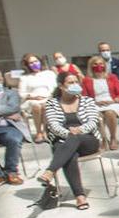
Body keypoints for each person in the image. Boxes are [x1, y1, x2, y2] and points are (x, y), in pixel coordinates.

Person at [40, 72, 101, 210]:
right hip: (62, 140)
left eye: (76, 82)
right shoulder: (52, 103)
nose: (74, 85)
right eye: (70, 83)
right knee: (70, 156)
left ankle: (50, 171)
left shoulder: (87, 101)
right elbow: (53, 125)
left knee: (70, 143)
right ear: (61, 86)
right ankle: (80, 196)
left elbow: (93, 121)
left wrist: (79, 130)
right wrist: (68, 133)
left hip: (87, 139)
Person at [82, 55, 119, 150]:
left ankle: (113, 138)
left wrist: (113, 100)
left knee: (110, 113)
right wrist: (95, 102)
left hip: (112, 102)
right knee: (98, 116)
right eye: (95, 64)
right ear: (91, 66)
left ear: (104, 65)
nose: (98, 66)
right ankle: (103, 139)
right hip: (95, 103)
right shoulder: (86, 80)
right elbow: (84, 96)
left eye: (101, 64)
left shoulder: (112, 77)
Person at [18, 53, 57, 142]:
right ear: (27, 65)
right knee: (36, 105)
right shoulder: (25, 78)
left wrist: (48, 95)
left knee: (45, 105)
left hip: (47, 97)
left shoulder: (49, 73)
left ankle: (45, 132)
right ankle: (39, 132)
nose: (34, 64)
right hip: (31, 100)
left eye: (36, 61)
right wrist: (33, 97)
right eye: (31, 63)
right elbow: (21, 93)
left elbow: (54, 87)